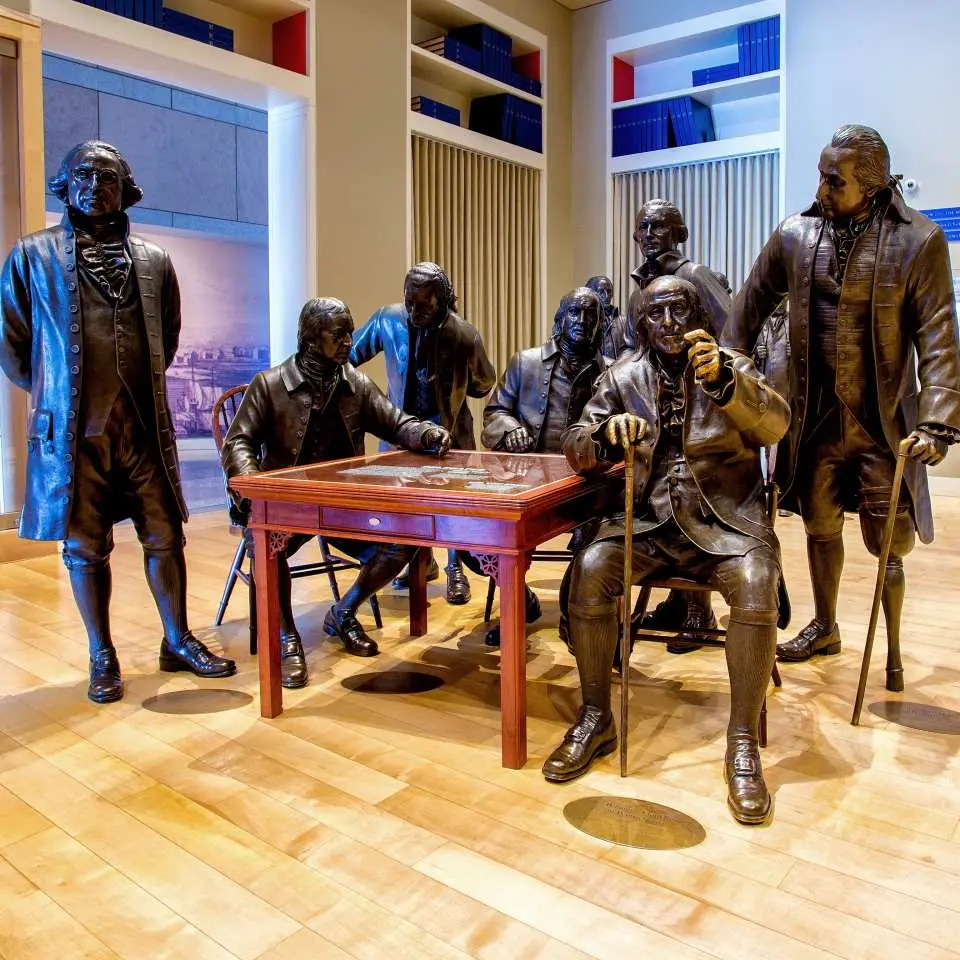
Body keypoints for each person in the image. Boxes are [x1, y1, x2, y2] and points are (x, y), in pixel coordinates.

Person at [722, 124, 960, 691]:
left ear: (872, 187)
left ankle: (894, 650)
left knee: (888, 542)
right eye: (822, 176)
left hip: (882, 425)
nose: (823, 189)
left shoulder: (919, 242)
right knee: (819, 526)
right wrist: (734, 371)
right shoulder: (794, 236)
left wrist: (936, 422)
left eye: (836, 180)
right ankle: (825, 625)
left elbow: (938, 337)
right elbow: (745, 311)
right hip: (814, 420)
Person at [544, 276, 789, 826]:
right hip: (648, 523)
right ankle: (594, 716)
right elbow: (573, 441)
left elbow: (775, 424)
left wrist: (728, 384)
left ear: (700, 314)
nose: (670, 324)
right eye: (656, 314)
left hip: (724, 524)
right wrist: (606, 434)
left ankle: (743, 740)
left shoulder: (733, 366)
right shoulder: (622, 376)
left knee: (755, 582)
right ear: (641, 322)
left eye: (680, 311)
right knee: (591, 567)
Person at [0, 140, 235, 705]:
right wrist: (59, 389)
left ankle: (177, 639)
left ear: (126, 188)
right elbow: (12, 345)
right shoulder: (31, 256)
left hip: (143, 426)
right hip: (75, 432)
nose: (93, 185)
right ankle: (101, 653)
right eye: (82, 175)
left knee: (165, 533)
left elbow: (168, 336)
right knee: (85, 545)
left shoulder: (155, 261)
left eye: (106, 177)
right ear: (64, 183)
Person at [220, 297, 451, 688]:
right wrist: (252, 485)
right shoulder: (270, 384)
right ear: (311, 340)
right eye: (338, 334)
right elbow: (237, 442)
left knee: (404, 540)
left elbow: (395, 422)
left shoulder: (355, 383)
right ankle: (285, 637)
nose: (348, 340)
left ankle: (343, 612)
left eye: (349, 332)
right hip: (282, 508)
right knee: (264, 548)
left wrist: (426, 433)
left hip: (343, 507)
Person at [350, 262, 496, 606]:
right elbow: (350, 355)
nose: (414, 312)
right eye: (410, 303)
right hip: (399, 429)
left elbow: (484, 383)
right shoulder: (387, 319)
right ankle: (420, 559)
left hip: (449, 433)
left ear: (442, 302)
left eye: (425, 306)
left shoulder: (463, 334)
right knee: (403, 503)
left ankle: (454, 566)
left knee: (454, 505)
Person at [627, 198, 734, 651]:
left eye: (659, 226)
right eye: (642, 228)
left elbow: (733, 334)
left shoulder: (696, 276)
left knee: (691, 495)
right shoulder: (639, 289)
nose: (649, 234)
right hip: (653, 407)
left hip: (699, 406)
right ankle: (677, 599)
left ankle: (697, 607)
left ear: (680, 233)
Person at [477, 287, 608, 647]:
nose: (582, 322)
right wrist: (511, 427)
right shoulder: (526, 362)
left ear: (600, 324)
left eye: (590, 315)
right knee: (479, 539)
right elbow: (494, 413)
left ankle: (575, 614)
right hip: (526, 484)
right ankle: (519, 602)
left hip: (586, 487)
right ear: (559, 318)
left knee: (599, 544)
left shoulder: (610, 373)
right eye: (575, 313)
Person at [584, 275, 630, 361]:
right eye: (601, 291)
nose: (606, 296)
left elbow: (631, 351)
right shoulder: (582, 322)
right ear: (590, 294)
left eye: (608, 291)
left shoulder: (624, 322)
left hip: (617, 372)